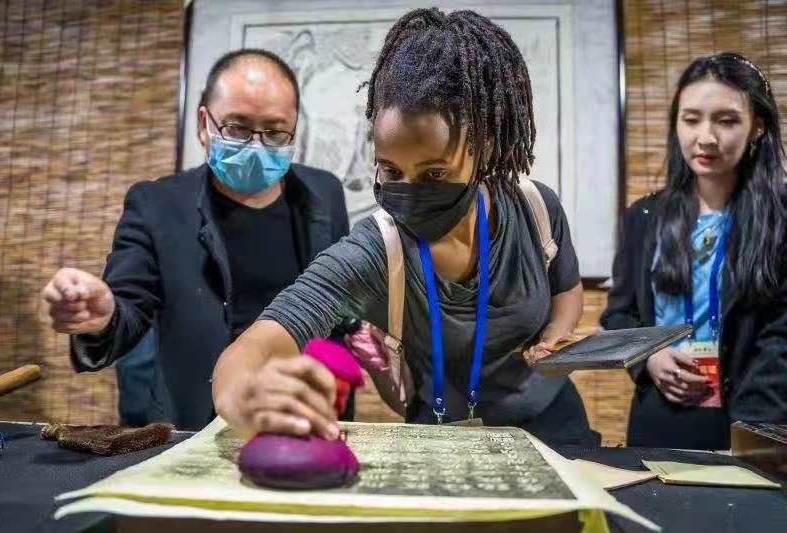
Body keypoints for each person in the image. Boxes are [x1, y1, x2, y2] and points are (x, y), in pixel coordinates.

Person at [212, 8, 594, 446]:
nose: (410, 193)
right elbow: (266, 337)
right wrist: (242, 393)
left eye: (434, 173)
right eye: (391, 171)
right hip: (443, 444)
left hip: (556, 434)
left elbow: (566, 290)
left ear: (483, 148)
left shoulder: (535, 208)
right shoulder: (376, 251)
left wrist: (556, 334)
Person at [41, 49, 349, 430]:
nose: (256, 146)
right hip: (196, 426)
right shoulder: (156, 205)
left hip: (306, 418)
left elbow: (340, 305)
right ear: (205, 124)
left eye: (274, 132)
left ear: (294, 130)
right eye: (237, 128)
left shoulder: (324, 195)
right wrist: (101, 318)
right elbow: (128, 311)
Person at [601, 53, 787, 449]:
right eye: (691, 120)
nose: (706, 137)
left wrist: (753, 432)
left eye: (726, 120)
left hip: (753, 421)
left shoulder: (779, 217)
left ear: (757, 127)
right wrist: (649, 357)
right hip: (658, 417)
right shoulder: (644, 216)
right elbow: (619, 314)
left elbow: (780, 336)